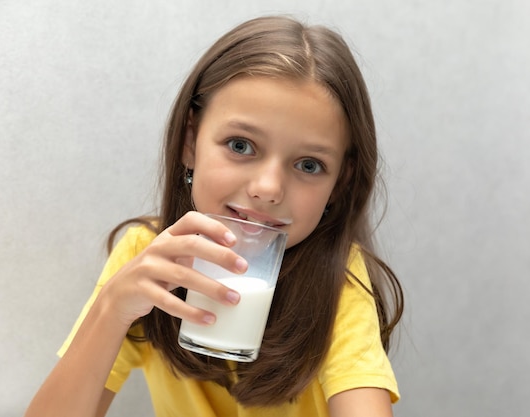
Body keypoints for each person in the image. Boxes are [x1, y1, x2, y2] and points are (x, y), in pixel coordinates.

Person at [25, 15, 404, 417]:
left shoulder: (338, 281)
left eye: (309, 165)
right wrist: (112, 308)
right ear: (191, 141)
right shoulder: (148, 253)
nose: (268, 188)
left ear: (339, 184)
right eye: (241, 145)